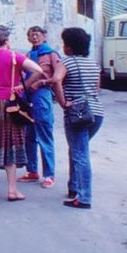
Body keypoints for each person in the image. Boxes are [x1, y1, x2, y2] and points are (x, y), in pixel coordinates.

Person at [0, 25, 44, 201]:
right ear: (6, 41)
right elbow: (39, 71)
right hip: (11, 104)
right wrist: (23, 86)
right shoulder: (15, 57)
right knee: (12, 145)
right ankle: (12, 190)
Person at [51, 27, 104, 209]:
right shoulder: (93, 64)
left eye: (65, 43)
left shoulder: (65, 62)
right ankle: (74, 187)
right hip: (96, 113)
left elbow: (56, 80)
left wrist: (63, 102)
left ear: (70, 47)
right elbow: (96, 89)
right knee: (77, 149)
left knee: (80, 154)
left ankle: (84, 197)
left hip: (77, 114)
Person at [18, 26, 61, 188]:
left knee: (44, 134)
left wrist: (42, 82)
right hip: (28, 96)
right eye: (31, 35)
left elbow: (58, 77)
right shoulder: (29, 55)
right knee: (29, 135)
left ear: (44, 36)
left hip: (42, 95)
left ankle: (49, 174)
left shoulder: (51, 54)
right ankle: (32, 171)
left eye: (37, 34)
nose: (34, 37)